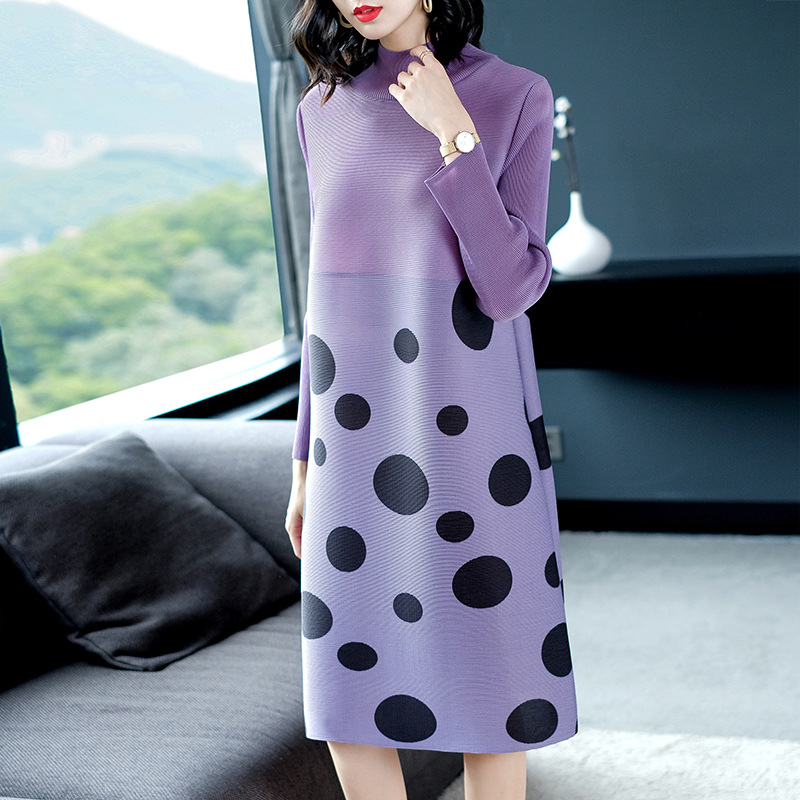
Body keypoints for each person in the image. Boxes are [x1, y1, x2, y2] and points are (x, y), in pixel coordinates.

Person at [285, 2, 577, 797]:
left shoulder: (515, 94)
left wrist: (455, 134)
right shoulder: (320, 109)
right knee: (347, 700)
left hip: (472, 430)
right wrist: (302, 466)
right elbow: (321, 304)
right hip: (351, 438)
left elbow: (510, 288)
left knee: (495, 684)